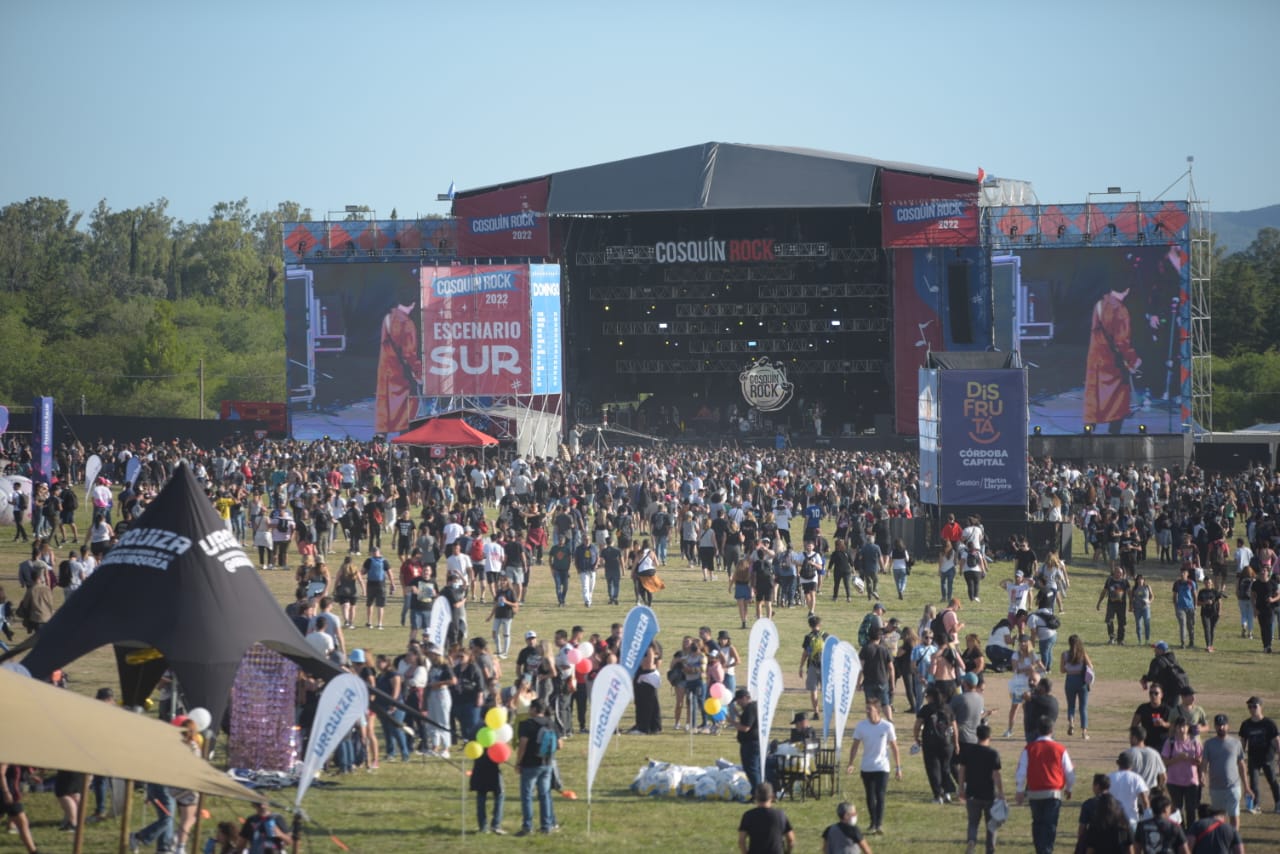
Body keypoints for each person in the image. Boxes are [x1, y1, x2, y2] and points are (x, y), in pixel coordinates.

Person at [1083, 284, 1140, 434]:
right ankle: (1113, 434)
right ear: (1127, 289)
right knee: (1117, 401)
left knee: (1094, 397)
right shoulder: (1121, 311)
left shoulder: (1099, 305)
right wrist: (1133, 360)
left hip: (1096, 360)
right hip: (1113, 363)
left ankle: (1088, 431)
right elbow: (1122, 342)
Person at [1015, 718, 1076, 854]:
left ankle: (1040, 849)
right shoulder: (1060, 749)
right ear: (1051, 730)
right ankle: (1046, 850)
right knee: (1050, 824)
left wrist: (1019, 790)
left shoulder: (1030, 748)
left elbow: (1021, 770)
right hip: (1053, 792)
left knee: (1037, 823)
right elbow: (1069, 772)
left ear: (1038, 730)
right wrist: (1069, 788)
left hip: (1035, 792)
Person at [846, 698, 901, 836]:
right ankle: (873, 822)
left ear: (877, 710)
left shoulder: (887, 726)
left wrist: (898, 768)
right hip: (867, 767)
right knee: (870, 796)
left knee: (880, 795)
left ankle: (879, 824)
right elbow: (855, 746)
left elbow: (895, 748)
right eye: (866, 709)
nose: (867, 711)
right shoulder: (861, 726)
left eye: (869, 709)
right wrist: (851, 763)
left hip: (882, 767)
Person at [374, 287, 422, 434]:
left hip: (386, 373)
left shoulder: (387, 319)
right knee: (406, 412)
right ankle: (403, 444)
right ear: (413, 304)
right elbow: (409, 354)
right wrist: (419, 374)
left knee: (385, 410)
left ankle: (380, 442)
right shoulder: (407, 325)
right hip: (402, 376)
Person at [956, 723, 1004, 854]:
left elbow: (962, 770)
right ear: (990, 737)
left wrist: (961, 788)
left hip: (972, 793)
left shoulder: (969, 751)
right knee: (991, 825)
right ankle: (990, 849)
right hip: (989, 794)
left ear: (977, 736)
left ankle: (972, 840)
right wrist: (1000, 792)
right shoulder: (993, 753)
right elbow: (996, 775)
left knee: (973, 822)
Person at [515, 698, 560, 836]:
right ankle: (546, 826)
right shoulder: (551, 723)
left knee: (527, 795)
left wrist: (518, 762)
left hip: (530, 764)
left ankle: (527, 827)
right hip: (547, 763)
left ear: (534, 709)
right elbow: (560, 745)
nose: (529, 710)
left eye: (530, 708)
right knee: (545, 794)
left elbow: (522, 745)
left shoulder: (526, 724)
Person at [1201, 713, 1252, 832]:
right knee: (1218, 817)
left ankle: (1234, 839)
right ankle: (1221, 837)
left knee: (1234, 815)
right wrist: (1202, 774)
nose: (1221, 728)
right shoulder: (1209, 744)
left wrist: (1247, 786)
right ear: (1215, 726)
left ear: (1228, 726)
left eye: (1223, 725)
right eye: (1218, 725)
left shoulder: (1236, 743)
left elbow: (1241, 765)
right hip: (1216, 787)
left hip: (1233, 787)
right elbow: (1204, 762)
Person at [913, 685, 958, 803]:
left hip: (930, 743)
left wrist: (916, 738)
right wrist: (956, 743)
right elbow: (955, 727)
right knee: (945, 768)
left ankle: (938, 795)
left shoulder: (926, 709)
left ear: (930, 697)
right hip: (947, 743)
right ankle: (947, 793)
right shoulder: (948, 708)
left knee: (933, 769)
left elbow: (917, 725)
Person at [1238, 695, 1280, 814]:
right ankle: (1256, 805)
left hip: (1268, 757)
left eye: (1254, 706)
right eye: (1249, 707)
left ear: (1260, 707)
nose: (1252, 709)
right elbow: (1243, 742)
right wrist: (1241, 757)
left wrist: (1279, 755)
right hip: (1253, 758)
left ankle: (1278, 803)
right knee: (1254, 782)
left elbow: (1277, 740)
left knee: (1272, 780)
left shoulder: (1268, 723)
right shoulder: (1246, 724)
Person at [1162, 717, 1203, 830]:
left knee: (1191, 809)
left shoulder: (1195, 742)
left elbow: (1201, 760)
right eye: (1179, 726)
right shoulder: (1170, 742)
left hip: (1191, 781)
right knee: (1177, 809)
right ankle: (1180, 831)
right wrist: (1178, 758)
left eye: (1184, 726)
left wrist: (1197, 760)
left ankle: (1191, 831)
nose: (1181, 729)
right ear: (1175, 728)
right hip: (1174, 781)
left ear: (1188, 727)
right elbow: (1164, 762)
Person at [737, 782, 794, 854]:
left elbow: (741, 841)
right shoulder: (780, 815)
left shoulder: (748, 815)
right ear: (772, 796)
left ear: (756, 797)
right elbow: (791, 839)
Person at [1060, 634, 1094, 740]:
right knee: (1083, 707)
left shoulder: (1064, 654)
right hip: (1082, 681)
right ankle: (1084, 732)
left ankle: (1071, 722)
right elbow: (1091, 666)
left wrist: (1069, 668)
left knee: (1071, 705)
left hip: (1070, 680)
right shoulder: (1082, 654)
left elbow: (1062, 670)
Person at [1109, 750, 1152, 832]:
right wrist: (1148, 816)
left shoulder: (1110, 777)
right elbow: (1144, 800)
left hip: (1113, 820)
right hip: (1131, 819)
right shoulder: (1136, 778)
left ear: (1117, 763)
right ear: (1132, 765)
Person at [0, 762, 37, 854]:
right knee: (22, 822)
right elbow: (1, 773)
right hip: (6, 794)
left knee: (22, 822)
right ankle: (33, 851)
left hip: (9, 793)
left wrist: (31, 777)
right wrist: (6, 792)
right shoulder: (6, 756)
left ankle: (33, 851)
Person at [471, 748, 506, 834]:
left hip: (480, 767)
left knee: (482, 797)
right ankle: (495, 825)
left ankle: (483, 826)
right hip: (492, 768)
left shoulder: (475, 735)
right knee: (499, 795)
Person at [799, 614, 828, 718]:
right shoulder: (825, 635)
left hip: (812, 666)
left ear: (810, 626)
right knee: (826, 690)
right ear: (819, 624)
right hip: (824, 667)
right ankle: (827, 710)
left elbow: (805, 653)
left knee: (813, 690)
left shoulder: (808, 637)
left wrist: (801, 666)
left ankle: (816, 712)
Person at [1097, 565, 1131, 645]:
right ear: (1114, 573)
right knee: (1109, 621)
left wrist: (1131, 604)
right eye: (1117, 572)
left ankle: (1120, 640)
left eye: (1120, 573)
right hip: (1111, 605)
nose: (1118, 574)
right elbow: (1104, 591)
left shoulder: (1125, 582)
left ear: (1122, 574)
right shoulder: (1109, 580)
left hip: (1122, 605)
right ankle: (1112, 638)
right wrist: (1099, 602)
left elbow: (1130, 593)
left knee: (1121, 622)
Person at [735, 688, 762, 790]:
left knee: (752, 769)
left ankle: (757, 793)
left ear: (746, 698)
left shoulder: (750, 708)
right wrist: (737, 714)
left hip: (751, 744)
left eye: (739, 700)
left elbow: (745, 727)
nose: (738, 703)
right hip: (750, 743)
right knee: (751, 769)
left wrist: (732, 722)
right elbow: (746, 720)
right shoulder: (751, 708)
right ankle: (756, 792)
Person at [1197, 578, 1222, 653]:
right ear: (1204, 583)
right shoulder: (1201, 592)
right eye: (1206, 583)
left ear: (1211, 583)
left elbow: (1220, 602)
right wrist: (1205, 602)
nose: (1208, 584)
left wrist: (1220, 611)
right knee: (1207, 629)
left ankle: (1211, 645)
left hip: (1214, 612)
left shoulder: (1215, 592)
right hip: (1205, 613)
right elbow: (1198, 603)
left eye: (1209, 582)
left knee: (1212, 629)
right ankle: (1208, 646)